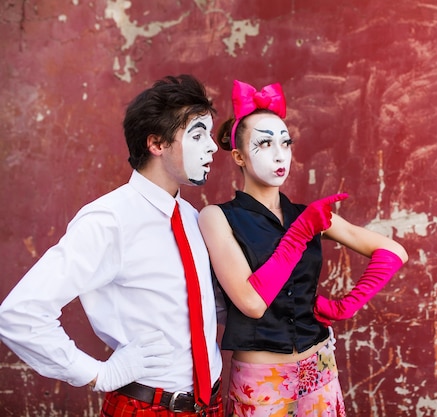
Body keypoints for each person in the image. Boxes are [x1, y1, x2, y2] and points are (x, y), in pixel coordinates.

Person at [0, 75, 225, 416]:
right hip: (147, 407)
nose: (211, 146)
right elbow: (19, 314)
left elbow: (200, 308)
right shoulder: (109, 220)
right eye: (197, 135)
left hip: (211, 405)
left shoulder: (192, 218)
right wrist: (97, 373)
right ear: (157, 143)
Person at [198, 80, 409, 416]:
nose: (280, 154)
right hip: (262, 380)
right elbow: (252, 304)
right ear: (238, 156)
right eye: (264, 144)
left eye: (286, 142)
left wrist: (345, 307)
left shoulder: (307, 214)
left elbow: (392, 252)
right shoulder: (217, 217)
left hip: (319, 366)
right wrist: (300, 234)